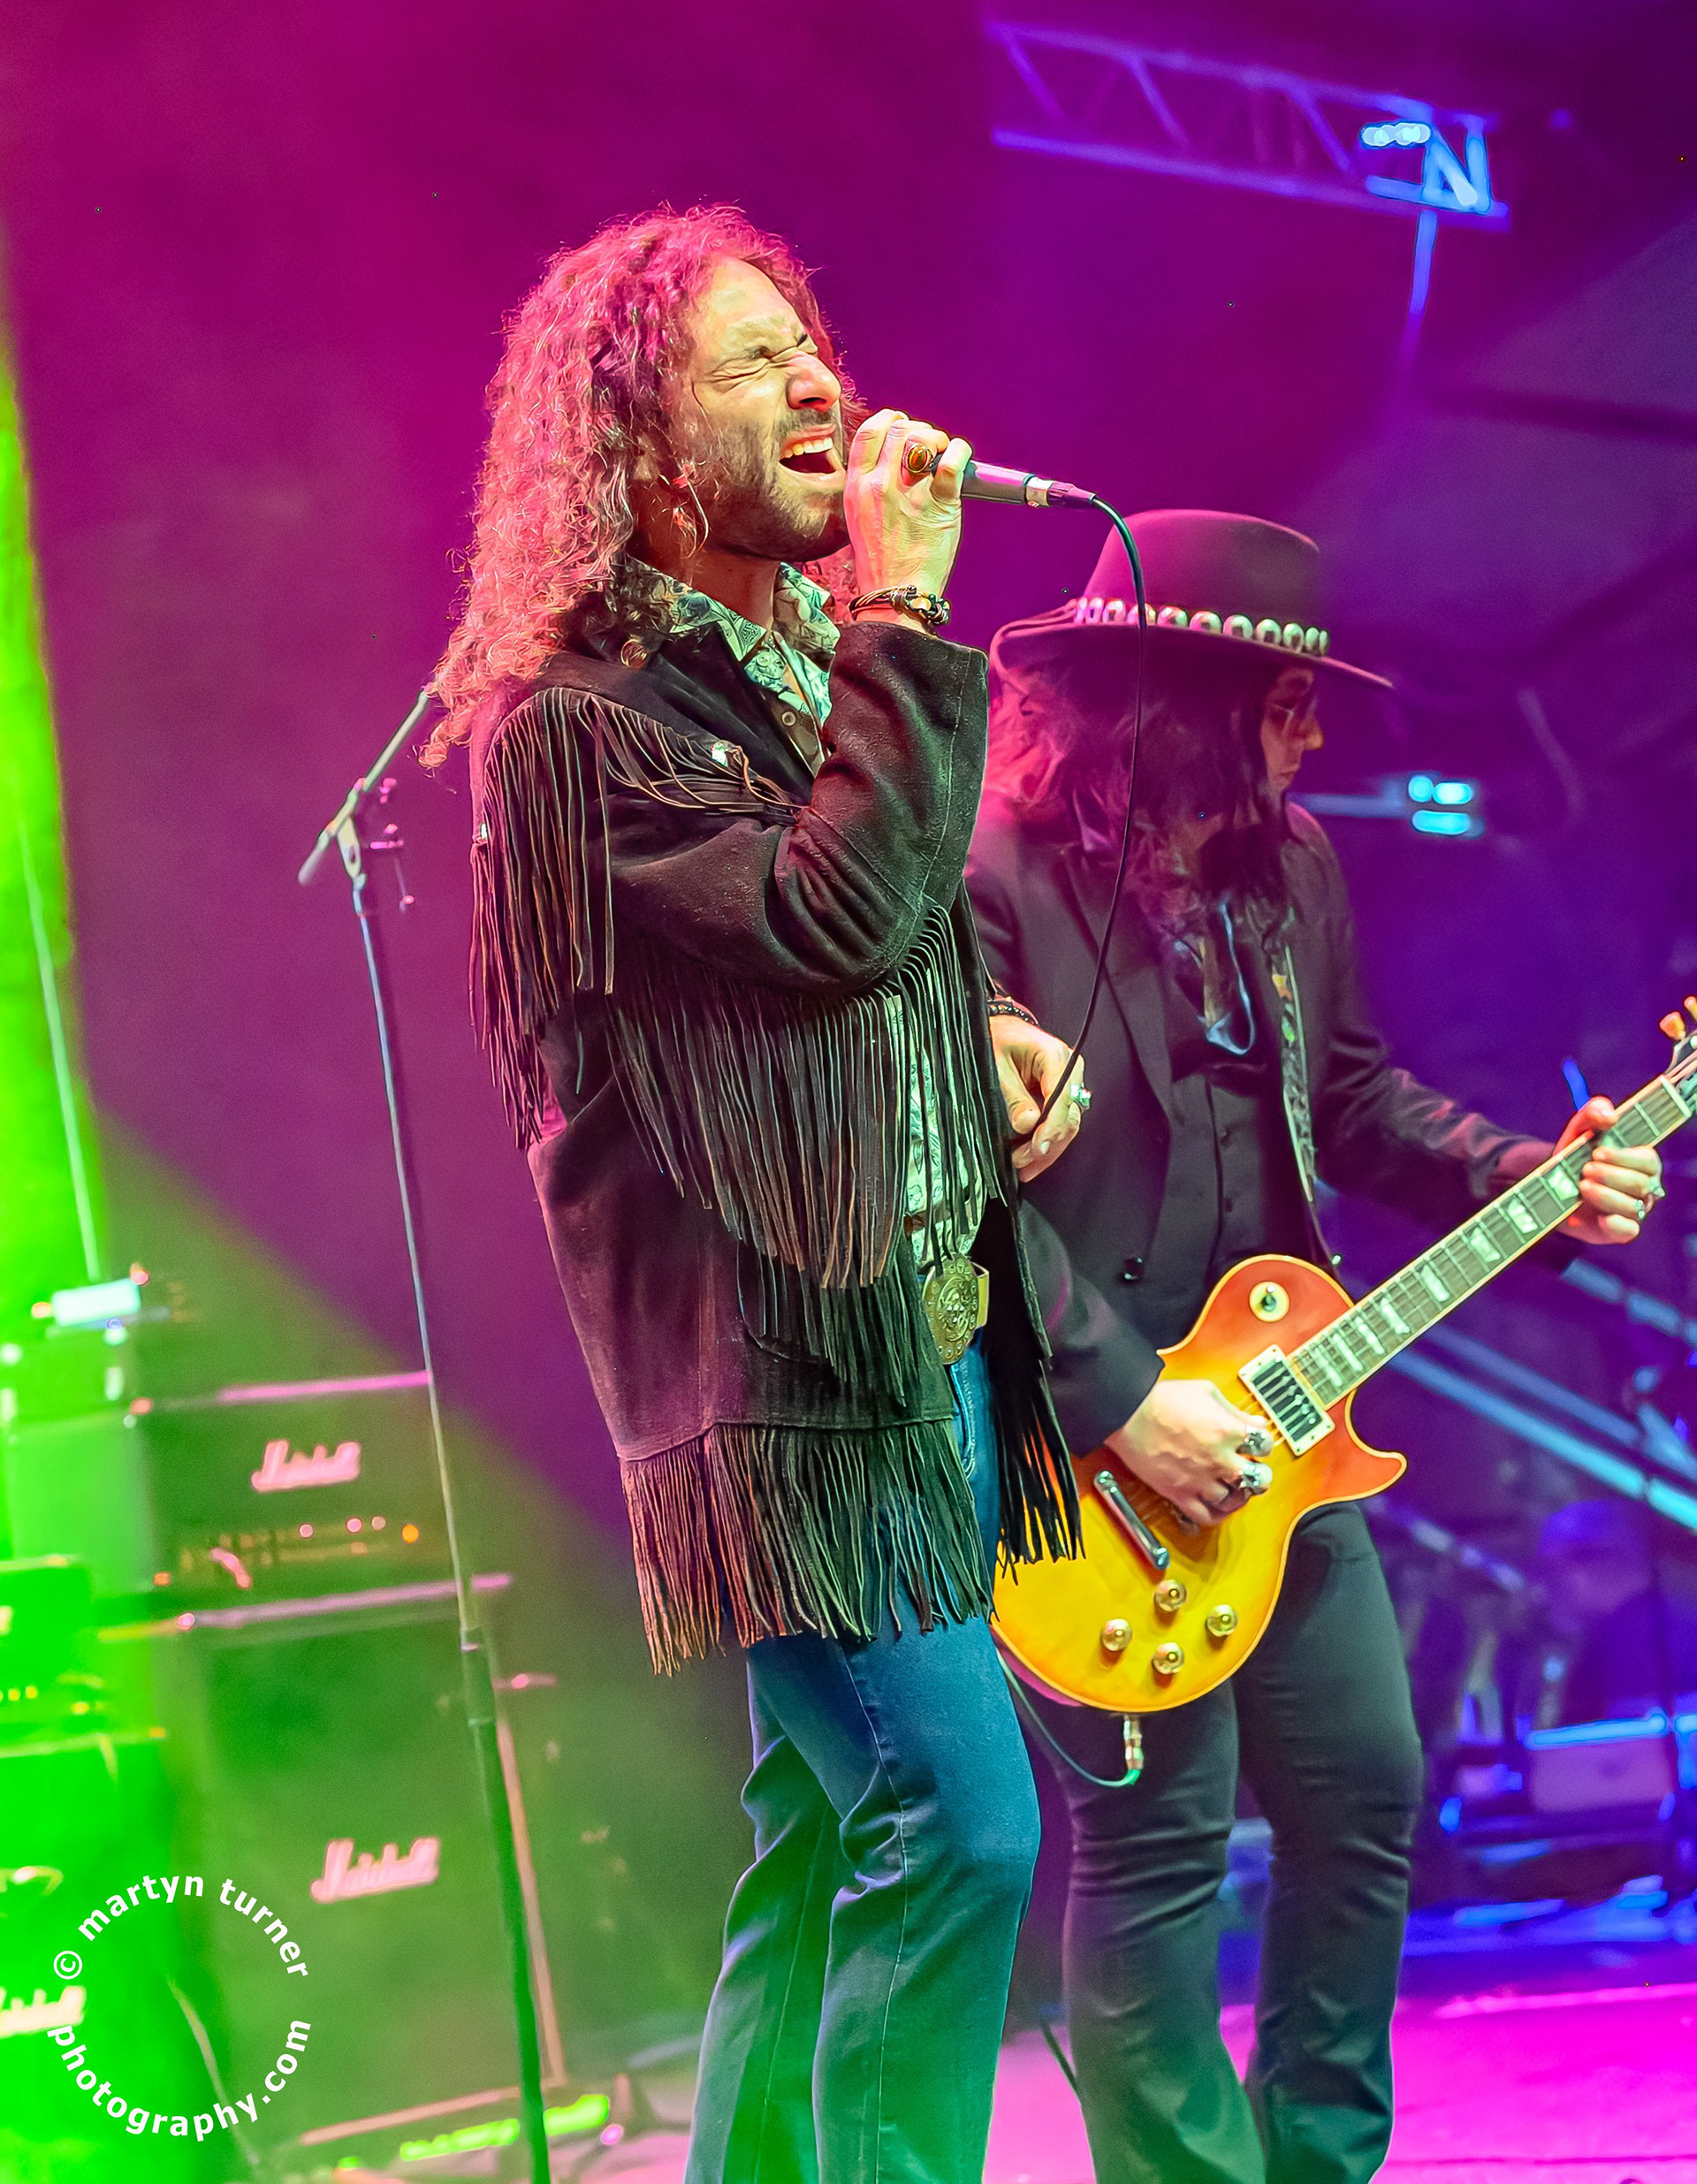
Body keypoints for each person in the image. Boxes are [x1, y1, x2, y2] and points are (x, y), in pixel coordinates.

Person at [425, 204, 1092, 2184]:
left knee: (822, 1843)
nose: (820, 384)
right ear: (639, 449)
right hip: (784, 1386)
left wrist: (984, 1036)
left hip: (918, 1341)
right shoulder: (581, 731)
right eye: (753, 361)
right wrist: (905, 609)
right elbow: (819, 920)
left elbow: (868, 958)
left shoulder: (796, 679)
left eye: (815, 345)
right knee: (959, 1824)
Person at [965, 511, 1664, 2184]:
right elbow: (955, 1200)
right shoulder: (988, 879)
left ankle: (1323, 2162)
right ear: (1191, 703)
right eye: (1287, 701)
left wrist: (1531, 1177)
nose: (1316, 735)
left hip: (1288, 1418)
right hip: (1094, 1449)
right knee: (1161, 1849)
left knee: (1364, 1798)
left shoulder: (1289, 868)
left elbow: (1349, 1098)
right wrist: (1125, 1405)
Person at [1539, 1496, 1697, 1722]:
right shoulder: (1667, 1621)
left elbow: (1625, 1736)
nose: (1547, 1585)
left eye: (1552, 1569)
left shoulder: (1636, 1640)